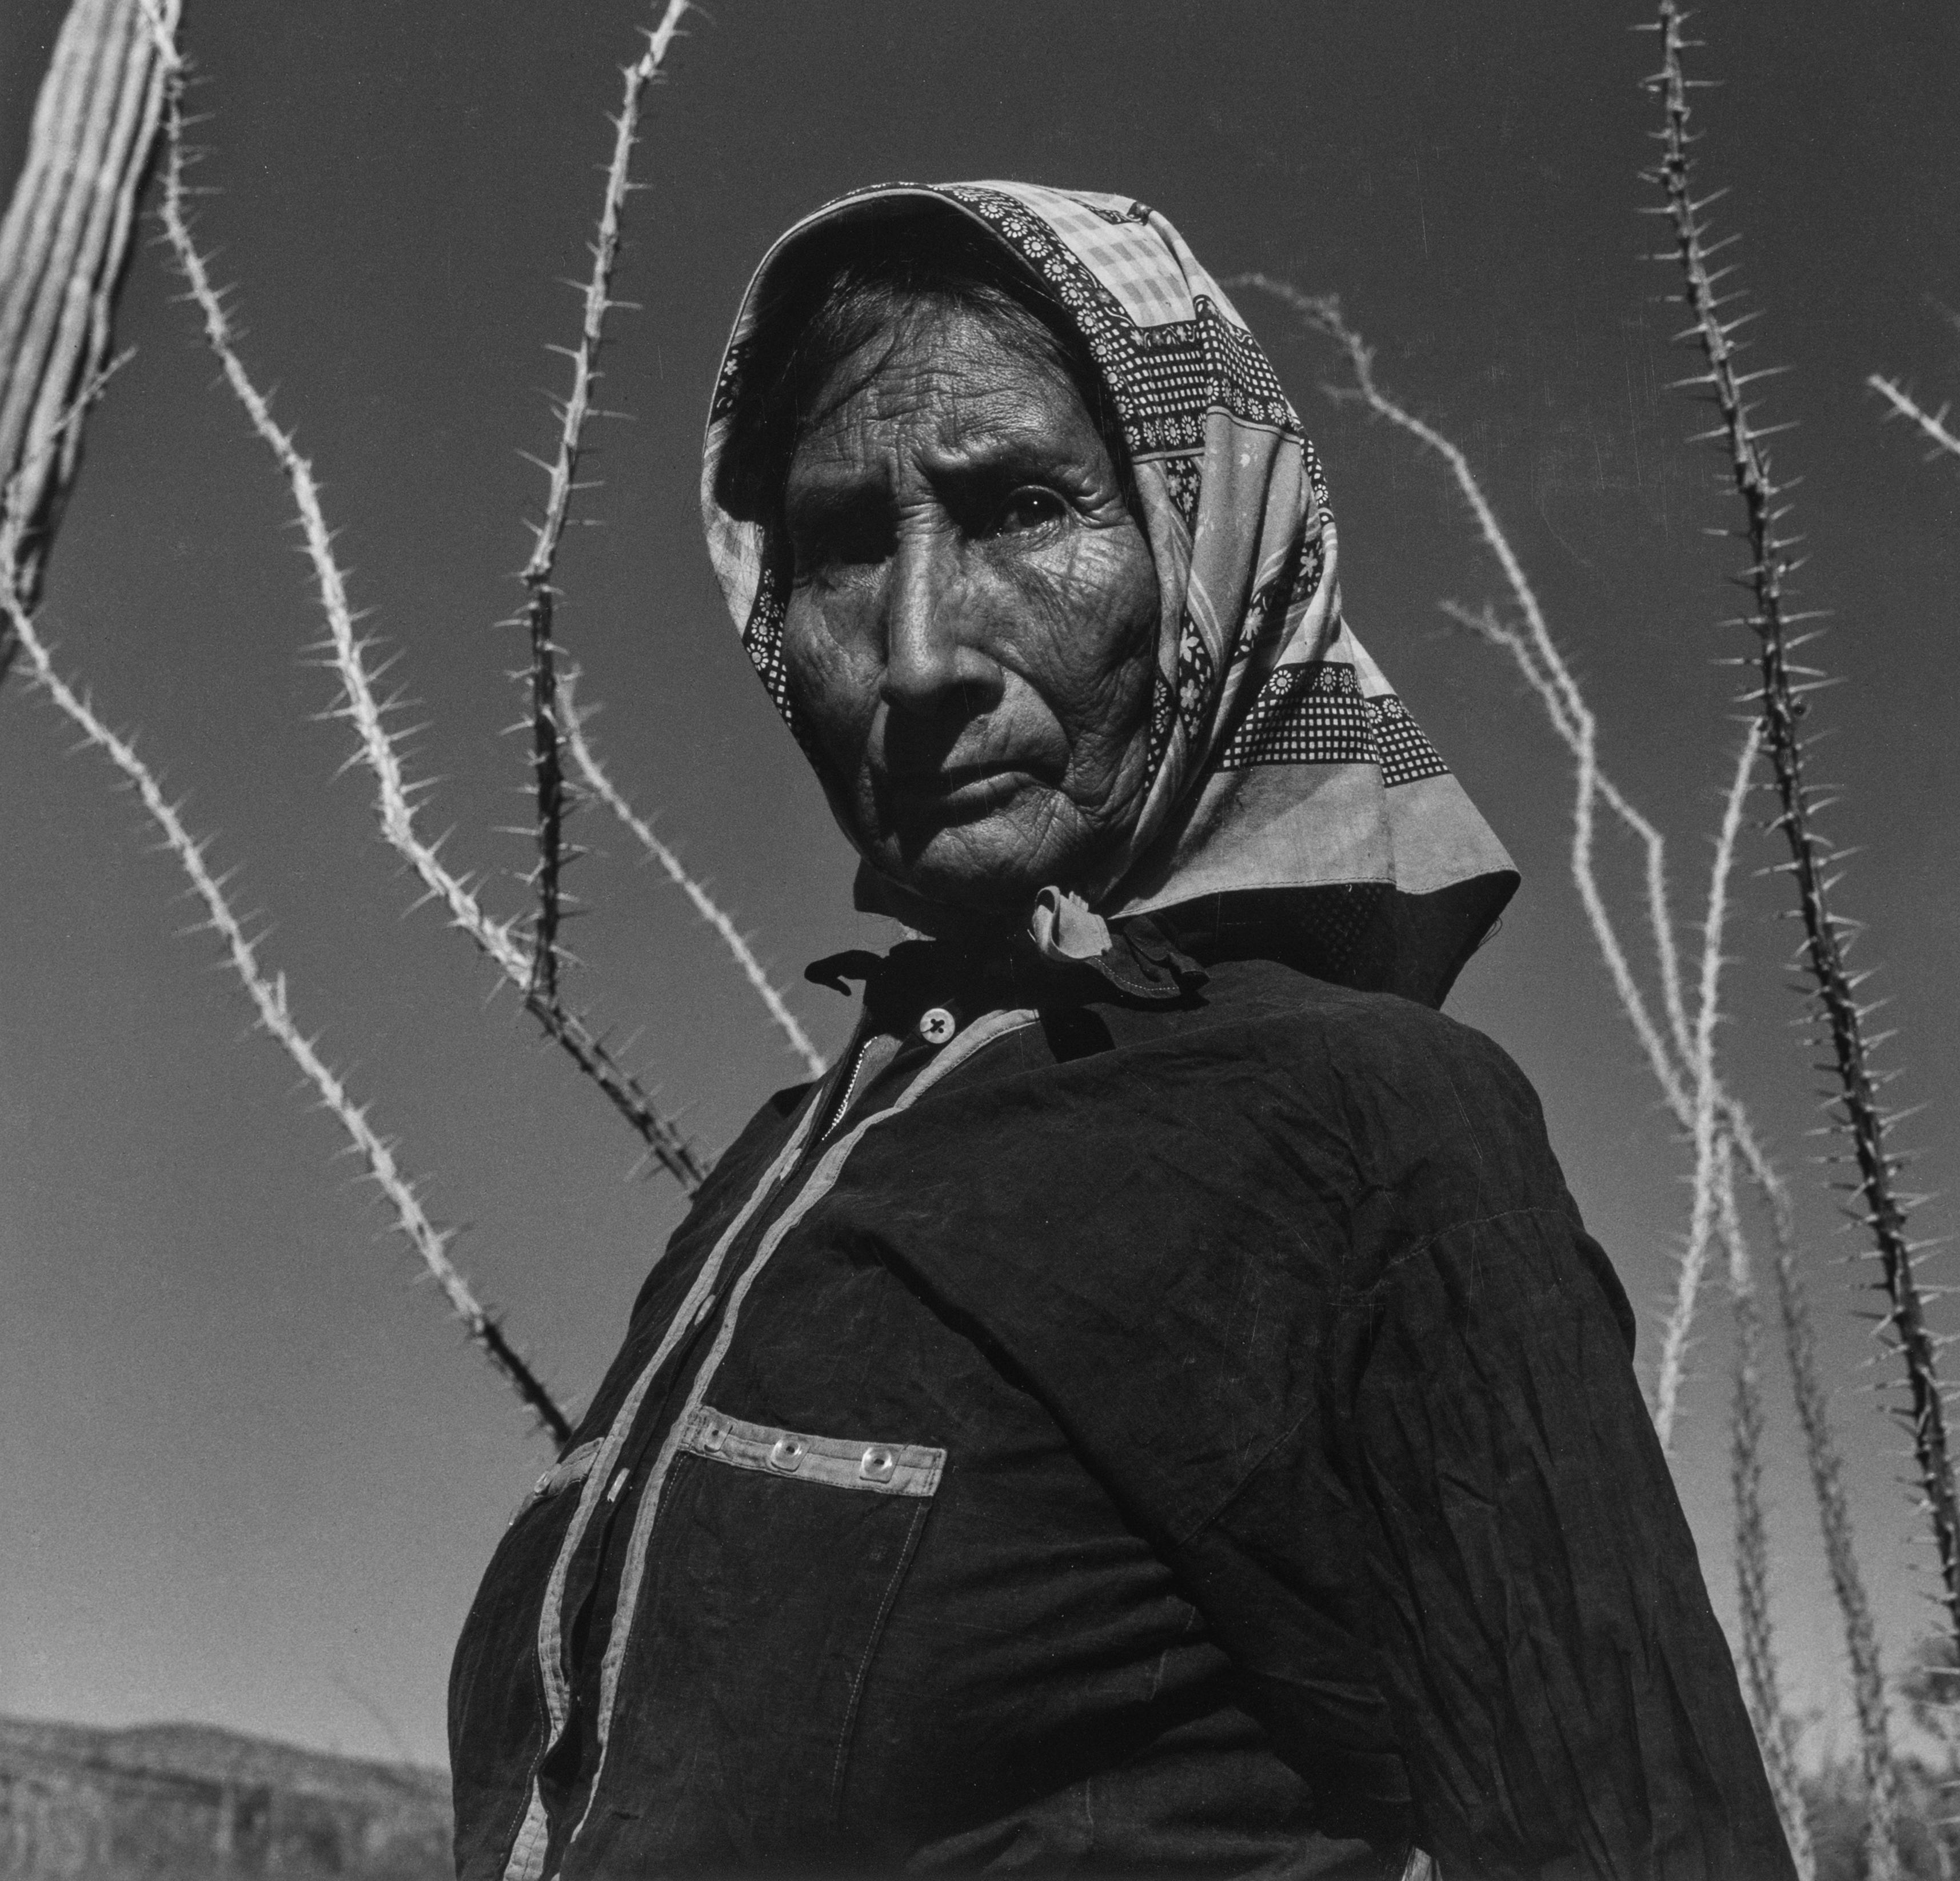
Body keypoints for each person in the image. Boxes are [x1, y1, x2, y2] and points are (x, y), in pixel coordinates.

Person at [448, 183, 1795, 1880]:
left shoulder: (1367, 1135)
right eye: (846, 544)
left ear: (1204, 546)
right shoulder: (781, 1175)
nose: (921, 650)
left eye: (1021, 507)